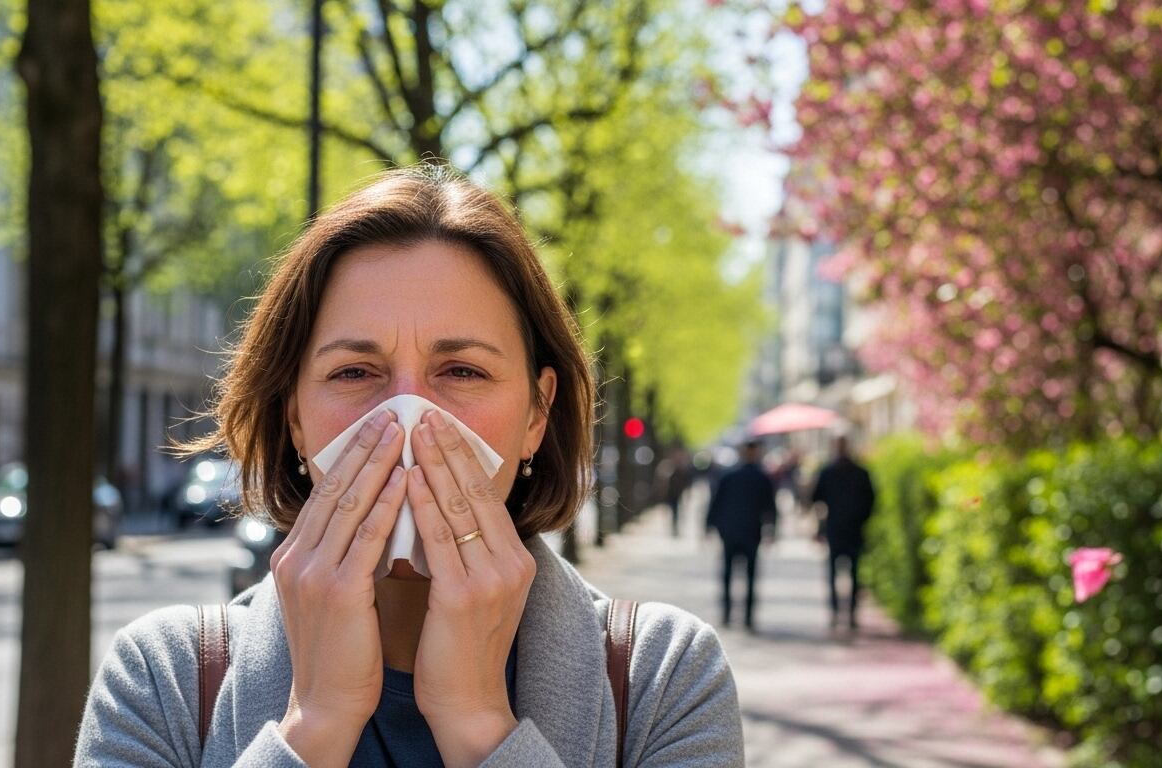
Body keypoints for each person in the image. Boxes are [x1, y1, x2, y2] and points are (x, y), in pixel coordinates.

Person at [74, 165, 744, 767]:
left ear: (536, 414)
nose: (406, 418)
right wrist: (316, 724)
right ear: (295, 417)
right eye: (355, 371)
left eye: (461, 370)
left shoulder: (662, 679)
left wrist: (479, 723)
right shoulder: (162, 680)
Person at [704, 440, 776, 631]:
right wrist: (772, 530)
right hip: (750, 532)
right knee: (748, 575)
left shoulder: (729, 476)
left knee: (729, 573)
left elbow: (716, 502)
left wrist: (710, 526)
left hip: (732, 532)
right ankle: (746, 617)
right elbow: (770, 508)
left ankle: (729, 614)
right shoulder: (761, 477)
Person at [809, 435, 876, 631]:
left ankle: (837, 613)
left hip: (837, 528)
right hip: (852, 528)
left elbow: (815, 498)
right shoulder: (859, 472)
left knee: (837, 572)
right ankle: (850, 614)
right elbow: (871, 501)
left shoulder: (829, 471)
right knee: (853, 572)